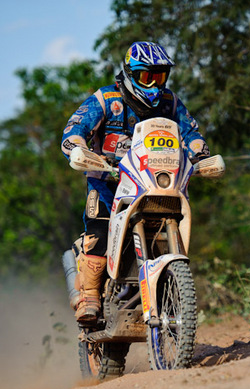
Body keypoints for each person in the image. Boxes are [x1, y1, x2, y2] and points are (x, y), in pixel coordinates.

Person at [61, 41, 210, 322]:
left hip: (156, 185)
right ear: (130, 74)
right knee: (99, 234)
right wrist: (77, 147)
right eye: (146, 76)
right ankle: (90, 296)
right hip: (108, 185)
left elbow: (192, 133)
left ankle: (169, 295)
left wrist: (201, 154)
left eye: (159, 77)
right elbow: (74, 129)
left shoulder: (170, 104)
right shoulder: (107, 100)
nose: (154, 84)